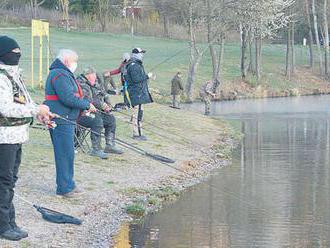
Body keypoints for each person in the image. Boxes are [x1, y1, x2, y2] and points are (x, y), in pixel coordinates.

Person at [0, 36, 51, 241]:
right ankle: (3, 226)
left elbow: (24, 102)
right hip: (4, 138)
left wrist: (38, 113)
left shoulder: (14, 75)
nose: (17, 55)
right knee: (4, 182)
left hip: (18, 136)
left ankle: (10, 221)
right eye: (14, 51)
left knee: (10, 181)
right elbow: (4, 107)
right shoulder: (0, 77)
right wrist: (34, 109)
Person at [44, 49, 96, 198]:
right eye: (74, 60)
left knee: (68, 153)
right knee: (64, 153)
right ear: (66, 61)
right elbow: (67, 98)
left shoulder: (62, 73)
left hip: (66, 117)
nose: (75, 64)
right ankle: (64, 188)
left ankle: (69, 183)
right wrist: (86, 105)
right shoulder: (60, 74)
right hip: (61, 118)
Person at [77, 67, 123, 158]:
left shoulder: (96, 83)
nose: (95, 78)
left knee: (110, 119)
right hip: (81, 113)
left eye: (95, 75)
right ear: (87, 76)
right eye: (93, 76)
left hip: (96, 111)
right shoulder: (81, 84)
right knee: (97, 121)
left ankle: (109, 145)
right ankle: (96, 149)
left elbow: (104, 94)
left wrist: (108, 105)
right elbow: (87, 100)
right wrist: (101, 105)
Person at [124, 48, 153, 141]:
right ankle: (137, 134)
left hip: (138, 93)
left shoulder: (135, 65)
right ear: (136, 55)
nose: (142, 55)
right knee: (137, 114)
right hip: (137, 94)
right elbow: (136, 79)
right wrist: (147, 76)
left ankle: (138, 133)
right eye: (141, 53)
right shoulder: (134, 65)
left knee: (139, 113)